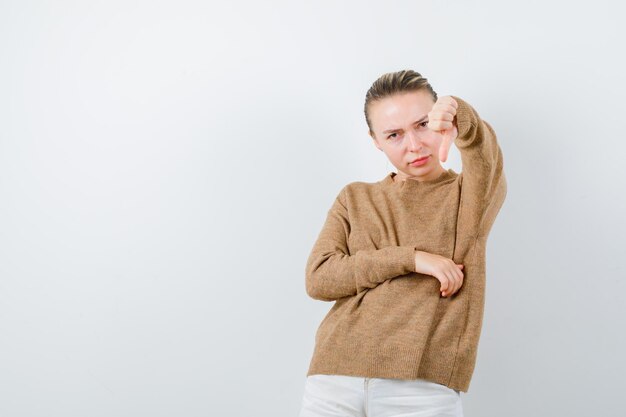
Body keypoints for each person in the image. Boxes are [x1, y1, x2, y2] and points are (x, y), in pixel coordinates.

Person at [298, 69, 507, 417]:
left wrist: (463, 119)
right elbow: (319, 278)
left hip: (422, 385)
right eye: (394, 134)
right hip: (333, 377)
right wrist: (412, 259)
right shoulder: (354, 198)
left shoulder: (468, 198)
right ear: (375, 140)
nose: (414, 145)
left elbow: (486, 156)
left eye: (423, 125)